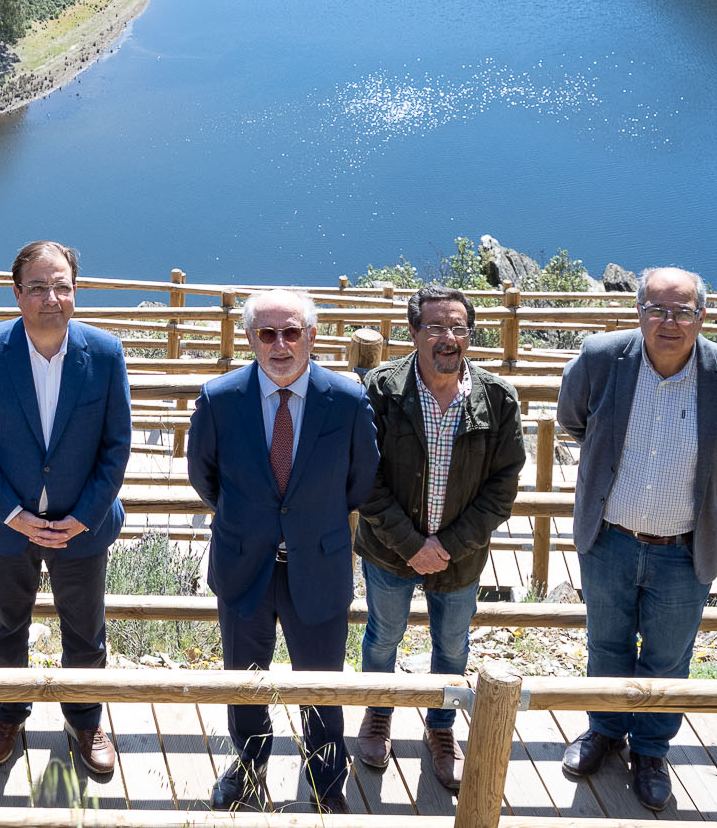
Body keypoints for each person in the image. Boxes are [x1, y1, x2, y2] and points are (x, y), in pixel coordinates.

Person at [557, 265, 717, 812]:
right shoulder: (602, 358)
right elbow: (575, 419)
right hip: (610, 538)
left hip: (684, 547)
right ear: (639, 312)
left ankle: (651, 750)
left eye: (682, 311)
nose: (669, 322)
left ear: (702, 316)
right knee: (605, 643)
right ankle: (604, 731)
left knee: (668, 657)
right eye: (657, 309)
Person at [187, 287, 377, 814]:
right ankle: (248, 774)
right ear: (249, 337)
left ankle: (325, 783)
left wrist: (309, 521)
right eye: (266, 333)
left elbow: (360, 482)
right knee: (245, 683)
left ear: (311, 336)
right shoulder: (219, 399)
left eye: (291, 332)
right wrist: (255, 522)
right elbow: (205, 477)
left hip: (318, 563)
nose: (279, 344)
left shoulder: (347, 400)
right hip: (244, 562)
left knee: (321, 685)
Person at [0, 240, 131, 779]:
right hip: (6, 523)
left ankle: (85, 718)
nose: (50, 298)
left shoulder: (104, 353)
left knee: (86, 631)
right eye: (37, 286)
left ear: (75, 291)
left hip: (82, 524)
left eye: (61, 286)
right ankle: (8, 714)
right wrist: (11, 513)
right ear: (17, 293)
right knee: (6, 626)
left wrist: (86, 515)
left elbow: (116, 445)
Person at [354, 284, 525, 793]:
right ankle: (378, 714)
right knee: (383, 638)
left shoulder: (497, 398)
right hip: (390, 549)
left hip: (461, 556)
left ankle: (442, 728)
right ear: (413, 332)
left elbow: (503, 487)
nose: (448, 337)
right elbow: (365, 479)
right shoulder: (382, 390)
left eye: (458, 327)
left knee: (452, 647)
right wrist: (412, 545)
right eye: (435, 327)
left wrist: (445, 546)